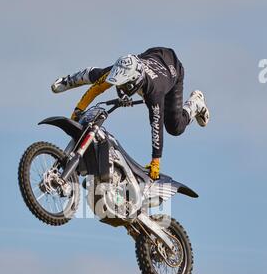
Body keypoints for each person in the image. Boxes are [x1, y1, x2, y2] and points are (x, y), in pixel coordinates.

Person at [51, 47, 209, 180]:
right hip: (152, 56)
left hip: (172, 68)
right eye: (121, 84)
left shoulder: (154, 92)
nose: (121, 89)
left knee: (174, 127)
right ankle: (68, 80)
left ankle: (195, 103)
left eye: (126, 86)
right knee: (99, 76)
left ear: (135, 81)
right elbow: (97, 88)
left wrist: (156, 161)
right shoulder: (123, 71)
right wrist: (78, 110)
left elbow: (156, 125)